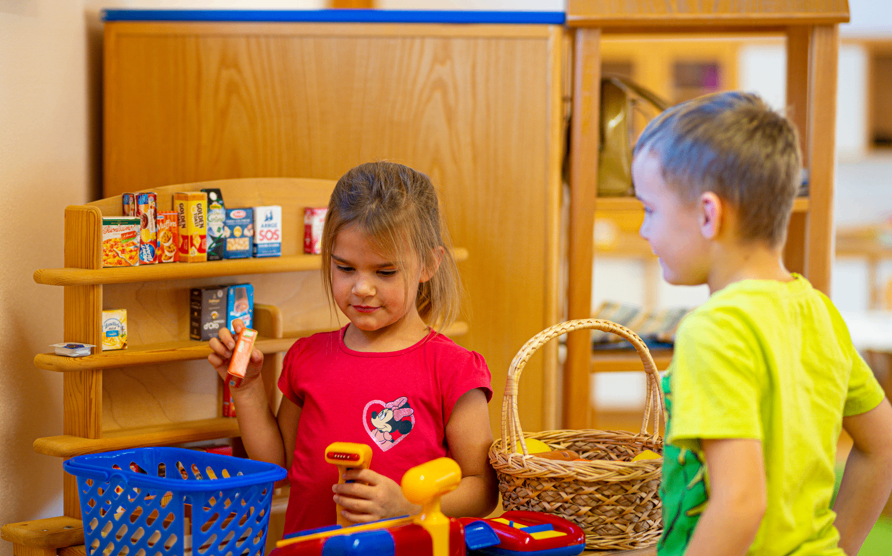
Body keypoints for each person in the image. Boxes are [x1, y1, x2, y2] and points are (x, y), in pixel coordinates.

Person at [631, 91, 892, 556]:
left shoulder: (712, 330)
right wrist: (840, 547)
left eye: (650, 210)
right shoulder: (819, 309)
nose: (644, 230)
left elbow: (740, 504)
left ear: (709, 214)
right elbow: (883, 444)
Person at [208, 161, 498, 535]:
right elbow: (278, 466)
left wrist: (408, 505)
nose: (362, 288)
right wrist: (246, 389)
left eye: (385, 272)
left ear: (429, 263)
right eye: (345, 268)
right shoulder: (307, 357)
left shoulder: (453, 368)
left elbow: (483, 489)